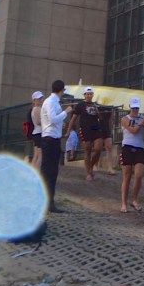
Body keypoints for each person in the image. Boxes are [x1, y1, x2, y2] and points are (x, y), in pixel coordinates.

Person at [40, 80, 73, 213]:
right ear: (61, 90)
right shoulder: (51, 102)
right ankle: (47, 202)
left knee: (50, 171)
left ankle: (48, 201)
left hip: (52, 138)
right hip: (50, 140)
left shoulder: (51, 102)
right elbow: (53, 119)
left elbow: (53, 120)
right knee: (50, 172)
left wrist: (62, 124)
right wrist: (66, 112)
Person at [120, 96, 144, 213]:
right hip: (127, 147)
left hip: (139, 147)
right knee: (127, 176)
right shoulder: (125, 118)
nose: (135, 110)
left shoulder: (142, 118)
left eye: (137, 108)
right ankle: (124, 203)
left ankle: (134, 200)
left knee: (139, 175)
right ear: (130, 107)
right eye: (134, 108)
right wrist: (143, 119)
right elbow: (134, 130)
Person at [66, 87, 103, 181]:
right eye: (87, 94)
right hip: (85, 129)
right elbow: (73, 118)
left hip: (95, 128)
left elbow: (101, 118)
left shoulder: (96, 105)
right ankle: (88, 173)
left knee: (98, 149)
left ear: (92, 95)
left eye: (90, 94)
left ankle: (91, 167)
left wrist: (98, 111)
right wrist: (68, 131)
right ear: (84, 95)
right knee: (87, 150)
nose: (88, 96)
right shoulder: (80, 105)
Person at [98, 105, 116, 175]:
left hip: (106, 128)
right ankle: (95, 165)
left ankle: (110, 167)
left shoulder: (110, 106)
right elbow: (100, 117)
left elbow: (112, 119)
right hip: (98, 127)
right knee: (98, 148)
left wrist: (111, 128)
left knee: (109, 147)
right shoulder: (98, 105)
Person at [30, 91, 44, 170]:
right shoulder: (37, 109)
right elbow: (38, 122)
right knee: (40, 156)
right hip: (39, 133)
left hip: (37, 133)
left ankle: (32, 172)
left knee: (36, 155)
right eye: (38, 99)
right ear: (34, 100)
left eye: (41, 98)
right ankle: (36, 173)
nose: (40, 100)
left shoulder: (36, 109)